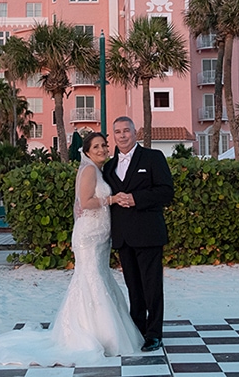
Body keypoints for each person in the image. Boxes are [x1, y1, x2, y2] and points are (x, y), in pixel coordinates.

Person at [0, 132, 143, 374]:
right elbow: (86, 201)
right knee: (90, 279)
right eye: (97, 146)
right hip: (88, 236)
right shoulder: (90, 171)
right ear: (88, 152)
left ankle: (101, 331)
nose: (102, 149)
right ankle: (95, 334)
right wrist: (111, 199)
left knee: (98, 277)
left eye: (104, 145)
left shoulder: (97, 170)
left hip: (99, 235)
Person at [102, 116, 173, 353]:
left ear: (135, 133)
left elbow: (166, 192)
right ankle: (137, 330)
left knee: (152, 285)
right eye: (118, 132)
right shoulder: (109, 166)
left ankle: (154, 334)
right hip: (122, 235)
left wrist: (137, 199)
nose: (122, 135)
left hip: (149, 233)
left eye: (126, 131)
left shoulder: (153, 158)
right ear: (113, 136)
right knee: (133, 286)